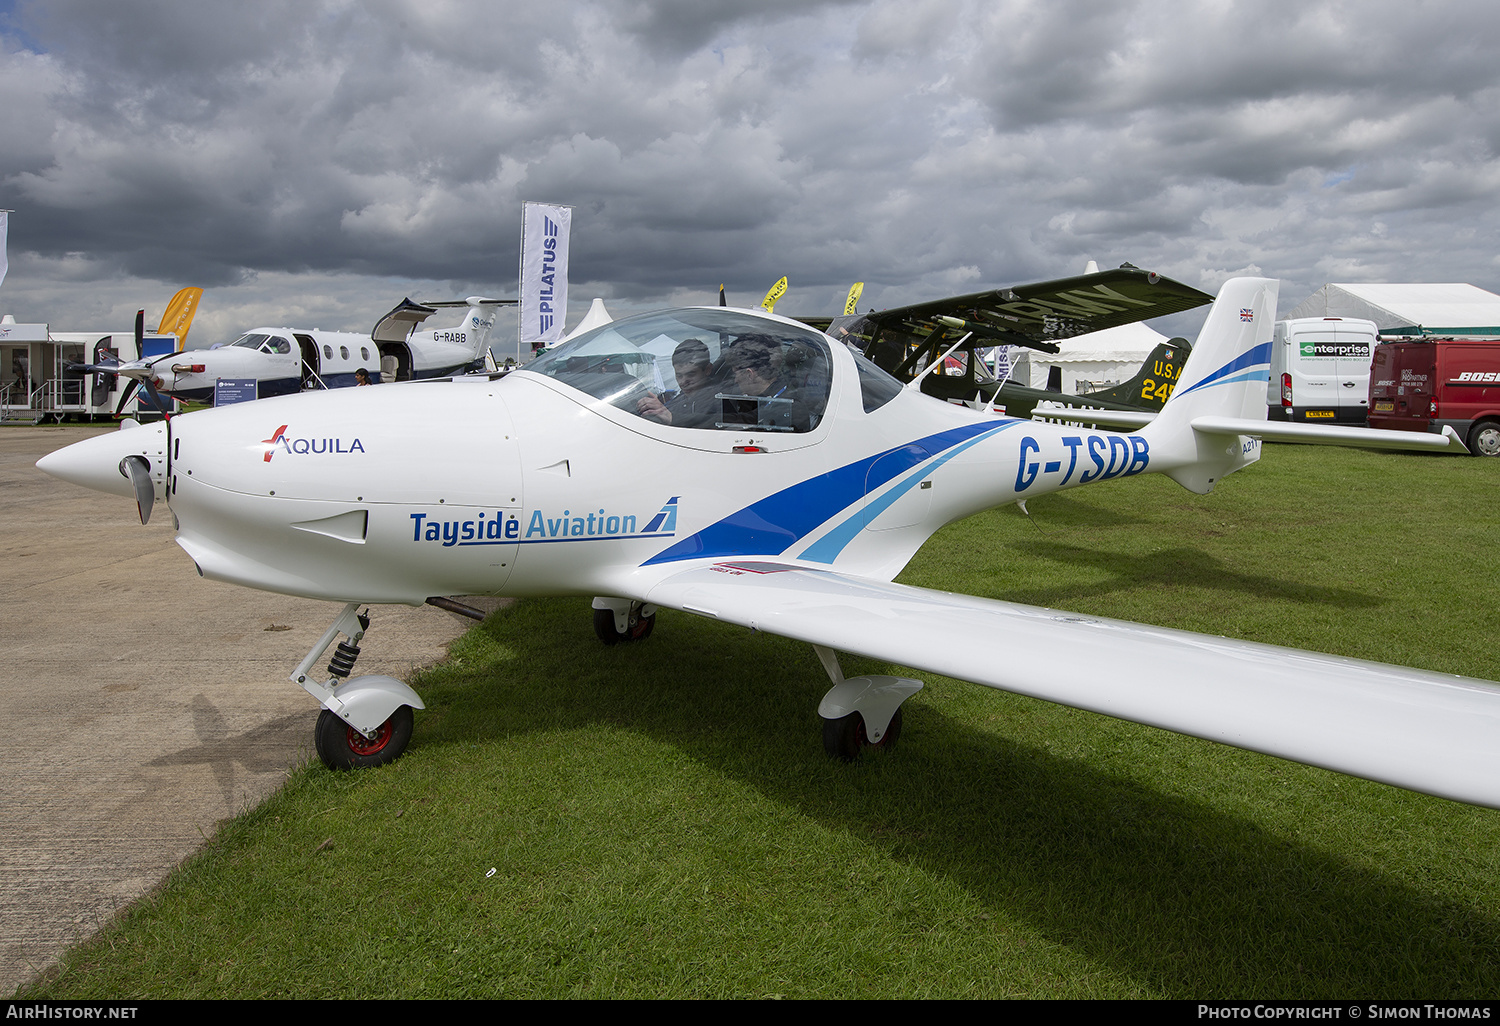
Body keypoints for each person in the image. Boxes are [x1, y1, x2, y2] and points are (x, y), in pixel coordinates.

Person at [721, 335, 813, 432]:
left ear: (749, 374)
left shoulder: (790, 408)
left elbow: (750, 419)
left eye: (735, 373)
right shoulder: (757, 399)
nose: (735, 380)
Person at [637, 339, 720, 428]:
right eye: (679, 375)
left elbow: (715, 422)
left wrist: (672, 418)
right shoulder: (679, 400)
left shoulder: (721, 399)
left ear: (708, 370)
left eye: (691, 374)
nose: (683, 382)